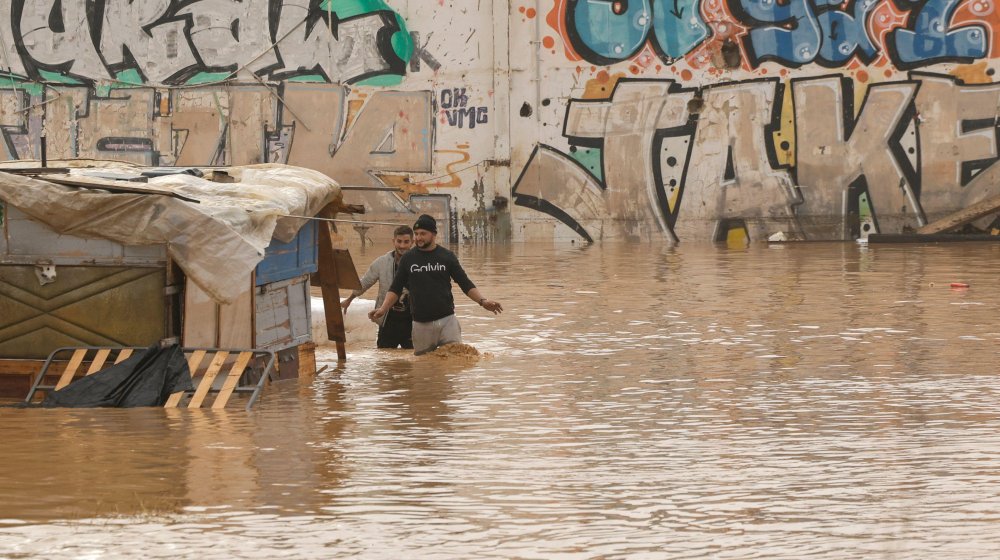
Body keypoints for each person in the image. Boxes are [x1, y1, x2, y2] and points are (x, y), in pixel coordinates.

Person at [369, 214, 502, 355]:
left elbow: (465, 283)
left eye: (423, 234)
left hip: (447, 321)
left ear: (434, 234)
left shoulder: (447, 257)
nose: (418, 238)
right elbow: (395, 289)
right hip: (421, 324)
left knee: (456, 360)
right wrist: (383, 309)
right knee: (424, 367)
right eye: (417, 234)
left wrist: (483, 301)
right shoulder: (408, 259)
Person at [342, 225, 414, 349]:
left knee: (415, 360)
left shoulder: (419, 263)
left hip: (412, 320)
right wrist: (349, 300)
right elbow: (364, 283)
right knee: (384, 360)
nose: (402, 246)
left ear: (412, 242)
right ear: (393, 241)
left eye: (406, 242)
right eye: (399, 241)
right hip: (387, 319)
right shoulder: (382, 262)